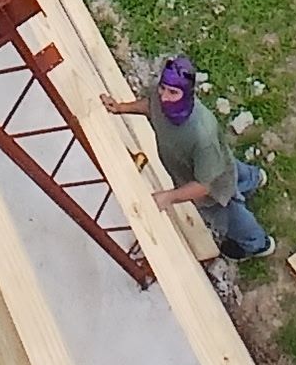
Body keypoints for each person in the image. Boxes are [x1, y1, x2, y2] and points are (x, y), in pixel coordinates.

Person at [103, 57, 275, 261]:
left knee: (229, 214)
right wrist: (121, 108)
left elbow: (204, 186)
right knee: (229, 166)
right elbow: (150, 106)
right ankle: (255, 178)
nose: (164, 97)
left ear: (187, 93)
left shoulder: (202, 135)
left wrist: (168, 197)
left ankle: (258, 244)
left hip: (214, 185)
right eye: (163, 88)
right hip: (202, 164)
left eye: (172, 92)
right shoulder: (162, 100)